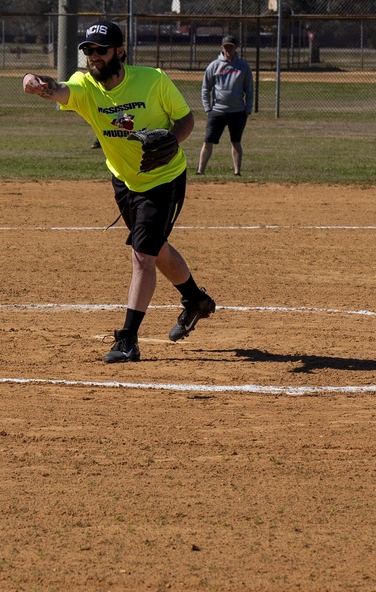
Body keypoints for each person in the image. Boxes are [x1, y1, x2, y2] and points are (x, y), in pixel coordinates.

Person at [23, 21, 215, 364]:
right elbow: (57, 89)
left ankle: (128, 339)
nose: (93, 57)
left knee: (142, 255)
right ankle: (195, 301)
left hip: (164, 179)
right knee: (155, 250)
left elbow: (185, 120)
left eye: (100, 50)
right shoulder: (85, 86)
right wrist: (34, 83)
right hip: (124, 182)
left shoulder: (153, 80)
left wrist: (173, 139)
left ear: (120, 52)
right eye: (88, 51)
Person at [197, 36, 254, 176]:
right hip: (217, 111)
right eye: (226, 47)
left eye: (231, 47)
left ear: (236, 48)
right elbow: (206, 88)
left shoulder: (243, 67)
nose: (228, 50)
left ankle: (237, 172)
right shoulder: (214, 66)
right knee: (208, 141)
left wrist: (248, 109)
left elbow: (249, 90)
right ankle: (200, 171)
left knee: (236, 142)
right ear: (222, 48)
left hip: (238, 111)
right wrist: (207, 108)